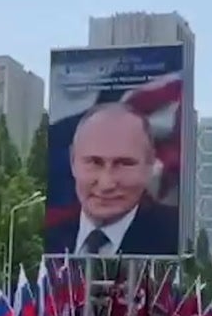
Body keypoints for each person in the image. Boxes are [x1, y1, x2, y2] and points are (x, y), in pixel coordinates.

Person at [45, 102, 178, 255]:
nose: (106, 184)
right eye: (94, 162)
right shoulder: (47, 233)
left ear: (150, 164)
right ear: (72, 160)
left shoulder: (177, 238)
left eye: (124, 164)